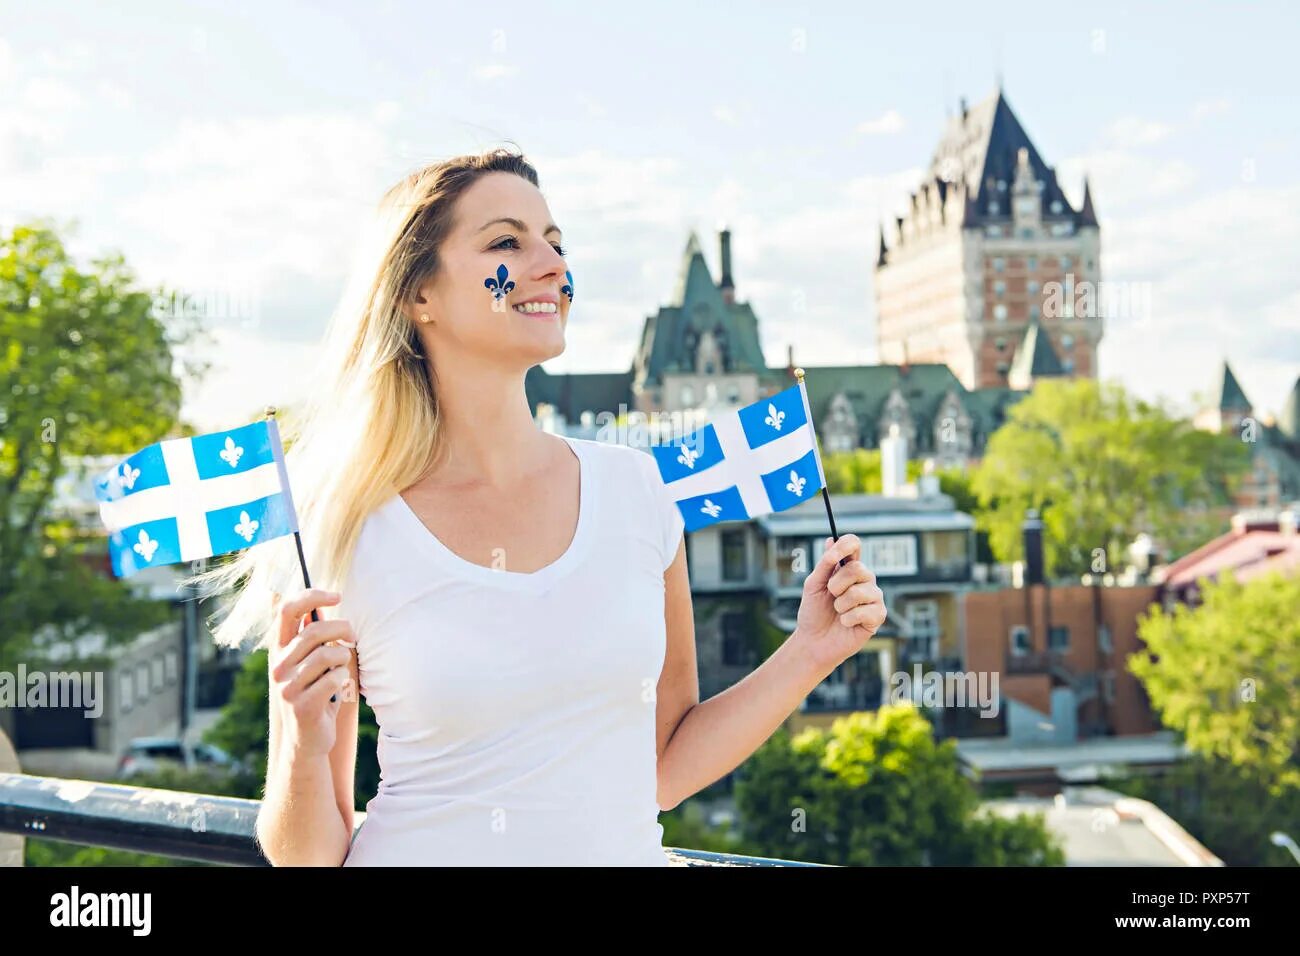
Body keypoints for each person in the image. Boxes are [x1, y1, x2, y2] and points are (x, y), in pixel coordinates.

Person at [192, 146, 887, 866]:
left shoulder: (636, 491)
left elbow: (664, 768)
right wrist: (305, 740)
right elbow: (305, 856)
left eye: (556, 243)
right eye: (506, 242)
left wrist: (812, 650)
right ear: (418, 294)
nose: (552, 265)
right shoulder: (343, 529)